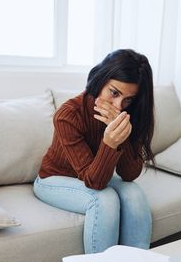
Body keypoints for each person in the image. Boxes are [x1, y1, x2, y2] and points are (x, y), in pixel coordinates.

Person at [33, 49, 155, 254]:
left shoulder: (128, 113)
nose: (119, 105)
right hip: (52, 180)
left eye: (128, 99)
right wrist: (109, 143)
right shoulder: (68, 115)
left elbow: (129, 175)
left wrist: (122, 139)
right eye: (114, 93)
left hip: (92, 177)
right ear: (100, 80)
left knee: (134, 193)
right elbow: (95, 183)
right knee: (104, 199)